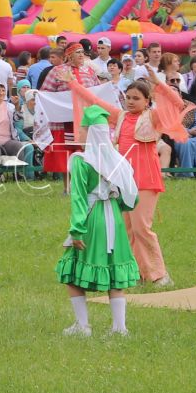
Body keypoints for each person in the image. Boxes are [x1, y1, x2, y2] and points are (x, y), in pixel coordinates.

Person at [55, 105, 139, 337]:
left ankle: (83, 326)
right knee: (114, 271)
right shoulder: (118, 160)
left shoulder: (82, 161)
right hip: (115, 219)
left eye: (81, 130)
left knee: (72, 270)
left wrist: (77, 230)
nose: (78, 134)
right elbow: (132, 196)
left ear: (90, 133)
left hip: (92, 219)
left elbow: (80, 199)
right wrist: (117, 204)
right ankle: (119, 327)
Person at [116, 81, 172, 288]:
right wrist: (74, 84)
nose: (130, 101)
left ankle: (159, 274)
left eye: (136, 98)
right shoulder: (121, 116)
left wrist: (157, 82)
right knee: (127, 229)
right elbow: (94, 101)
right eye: (128, 97)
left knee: (141, 228)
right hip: (124, 180)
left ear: (147, 101)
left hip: (146, 179)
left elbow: (175, 105)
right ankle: (137, 273)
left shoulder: (152, 117)